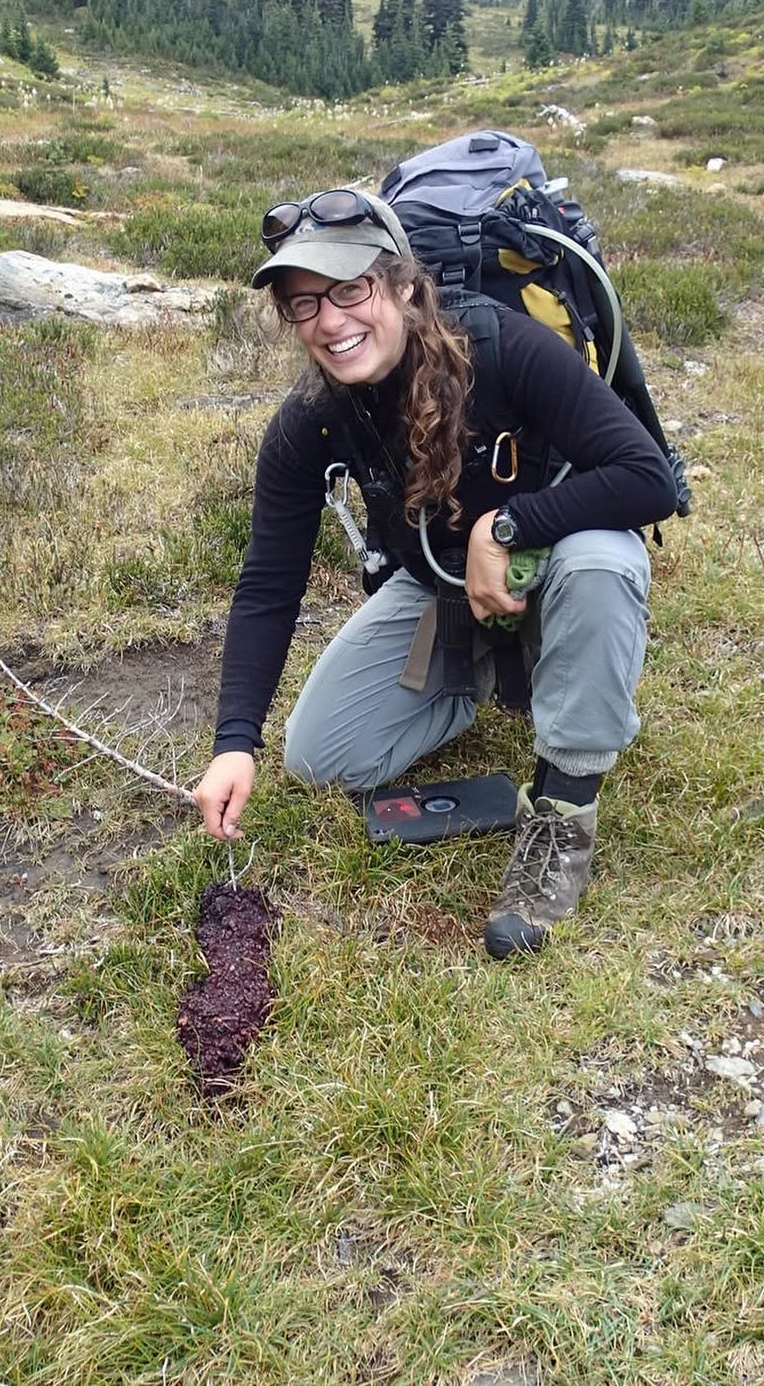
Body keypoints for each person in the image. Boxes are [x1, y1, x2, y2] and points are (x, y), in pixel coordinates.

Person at [194, 187, 678, 959]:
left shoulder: (507, 348)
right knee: (321, 756)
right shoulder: (313, 417)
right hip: (437, 584)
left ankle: (563, 814)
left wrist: (511, 524)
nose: (331, 321)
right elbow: (268, 584)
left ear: (405, 287)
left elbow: (650, 477)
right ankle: (489, 672)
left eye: (351, 289)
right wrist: (234, 742)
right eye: (304, 304)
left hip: (553, 559)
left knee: (603, 562)